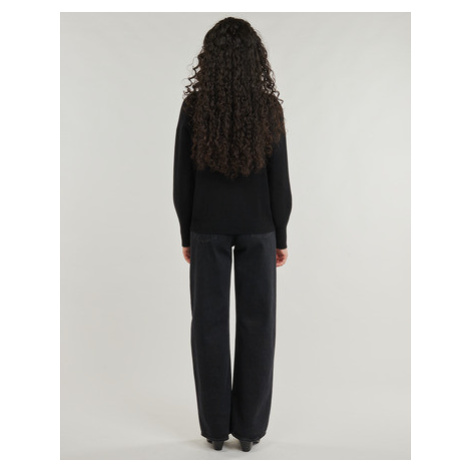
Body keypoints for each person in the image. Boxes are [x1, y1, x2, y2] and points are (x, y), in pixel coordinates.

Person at [173, 16, 292, 452]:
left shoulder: (195, 107)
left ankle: (215, 430)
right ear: (254, 60)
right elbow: (280, 179)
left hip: (207, 227)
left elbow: (182, 178)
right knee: (259, 323)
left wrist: (186, 232)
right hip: (259, 228)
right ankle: (251, 430)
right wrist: (281, 234)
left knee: (207, 324)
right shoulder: (268, 108)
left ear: (210, 59)